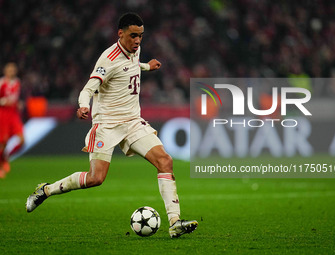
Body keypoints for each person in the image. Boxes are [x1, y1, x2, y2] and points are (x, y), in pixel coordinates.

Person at [26, 12, 198, 238]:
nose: (137, 40)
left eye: (141, 36)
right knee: (95, 178)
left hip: (133, 122)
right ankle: (46, 190)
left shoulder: (136, 50)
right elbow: (88, 88)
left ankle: (174, 222)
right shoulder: (108, 58)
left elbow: (132, 67)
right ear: (121, 33)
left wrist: (147, 67)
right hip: (107, 125)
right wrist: (82, 105)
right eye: (133, 36)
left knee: (165, 161)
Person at [0, 62, 25, 178]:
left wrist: (18, 103)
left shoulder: (17, 83)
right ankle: (1, 166)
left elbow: (16, 98)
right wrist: (3, 101)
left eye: (13, 69)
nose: (12, 71)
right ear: (5, 71)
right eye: (9, 69)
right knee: (3, 143)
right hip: (3, 114)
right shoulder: (2, 83)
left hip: (14, 114)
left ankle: (6, 157)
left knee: (22, 140)